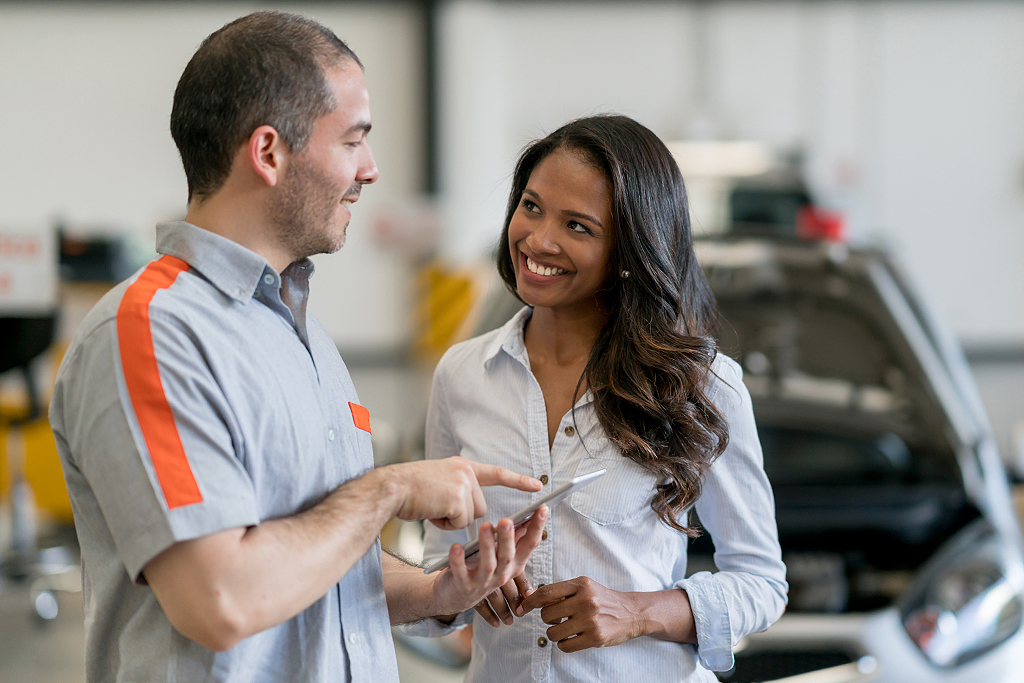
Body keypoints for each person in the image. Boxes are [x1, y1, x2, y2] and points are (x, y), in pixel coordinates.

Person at [48, 11, 547, 683]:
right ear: (269, 153)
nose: (370, 169)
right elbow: (219, 598)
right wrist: (390, 487)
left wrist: (438, 592)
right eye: (354, 140)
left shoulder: (303, 336)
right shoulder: (150, 333)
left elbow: (318, 557)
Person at [407, 115, 788, 681]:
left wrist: (639, 612)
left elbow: (761, 582)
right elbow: (438, 569)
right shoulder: (462, 375)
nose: (539, 240)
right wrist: (465, 587)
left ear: (629, 248)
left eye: (578, 226)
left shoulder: (702, 385)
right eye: (531, 206)